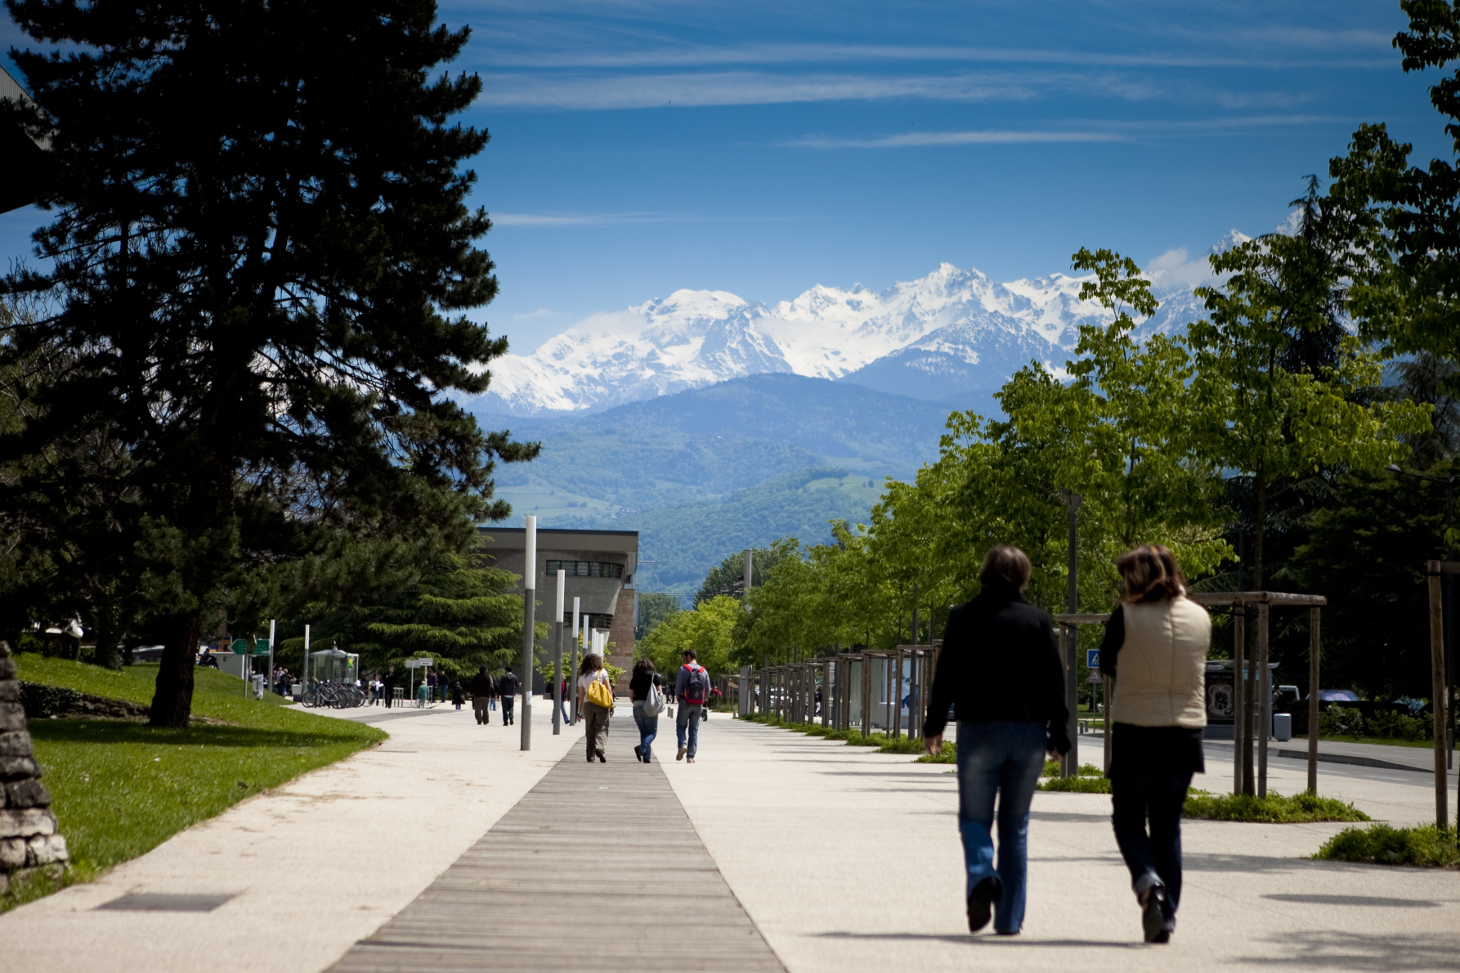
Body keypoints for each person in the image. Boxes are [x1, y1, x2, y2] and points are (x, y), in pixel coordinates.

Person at [923, 545, 1069, 937]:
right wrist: (1060, 732)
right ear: (1024, 576)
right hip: (1028, 732)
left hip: (979, 729)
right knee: (1015, 826)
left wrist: (934, 723)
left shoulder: (963, 617)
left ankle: (982, 872)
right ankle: (1007, 921)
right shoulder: (1037, 620)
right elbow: (1054, 681)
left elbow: (946, 675)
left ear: (984, 574)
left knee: (974, 819)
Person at [1098, 545, 1210, 944]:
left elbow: (1106, 663)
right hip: (1185, 733)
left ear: (1137, 577)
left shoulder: (1125, 616)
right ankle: (1168, 916)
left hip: (1136, 729)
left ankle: (1148, 881)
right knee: (1167, 825)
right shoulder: (1200, 616)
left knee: (1127, 816)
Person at [674, 649, 710, 763]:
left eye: (684, 658)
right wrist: (703, 700)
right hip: (698, 704)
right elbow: (708, 689)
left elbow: (678, 687)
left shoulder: (683, 669)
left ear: (688, 657)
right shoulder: (704, 671)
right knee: (693, 730)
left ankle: (682, 745)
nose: (683, 661)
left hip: (685, 701)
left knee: (680, 726)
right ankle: (690, 756)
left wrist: (679, 698)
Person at [577, 653, 613, 762]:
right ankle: (600, 748)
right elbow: (608, 689)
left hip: (588, 704)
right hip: (601, 703)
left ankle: (590, 756)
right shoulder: (602, 672)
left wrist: (579, 712)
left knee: (590, 729)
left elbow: (581, 697)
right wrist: (611, 705)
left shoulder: (582, 676)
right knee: (602, 726)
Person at [628, 659, 664, 763]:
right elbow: (659, 692)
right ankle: (640, 748)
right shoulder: (654, 677)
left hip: (637, 706)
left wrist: (635, 703)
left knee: (643, 733)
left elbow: (630, 694)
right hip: (649, 707)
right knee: (652, 733)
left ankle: (646, 757)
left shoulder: (634, 678)